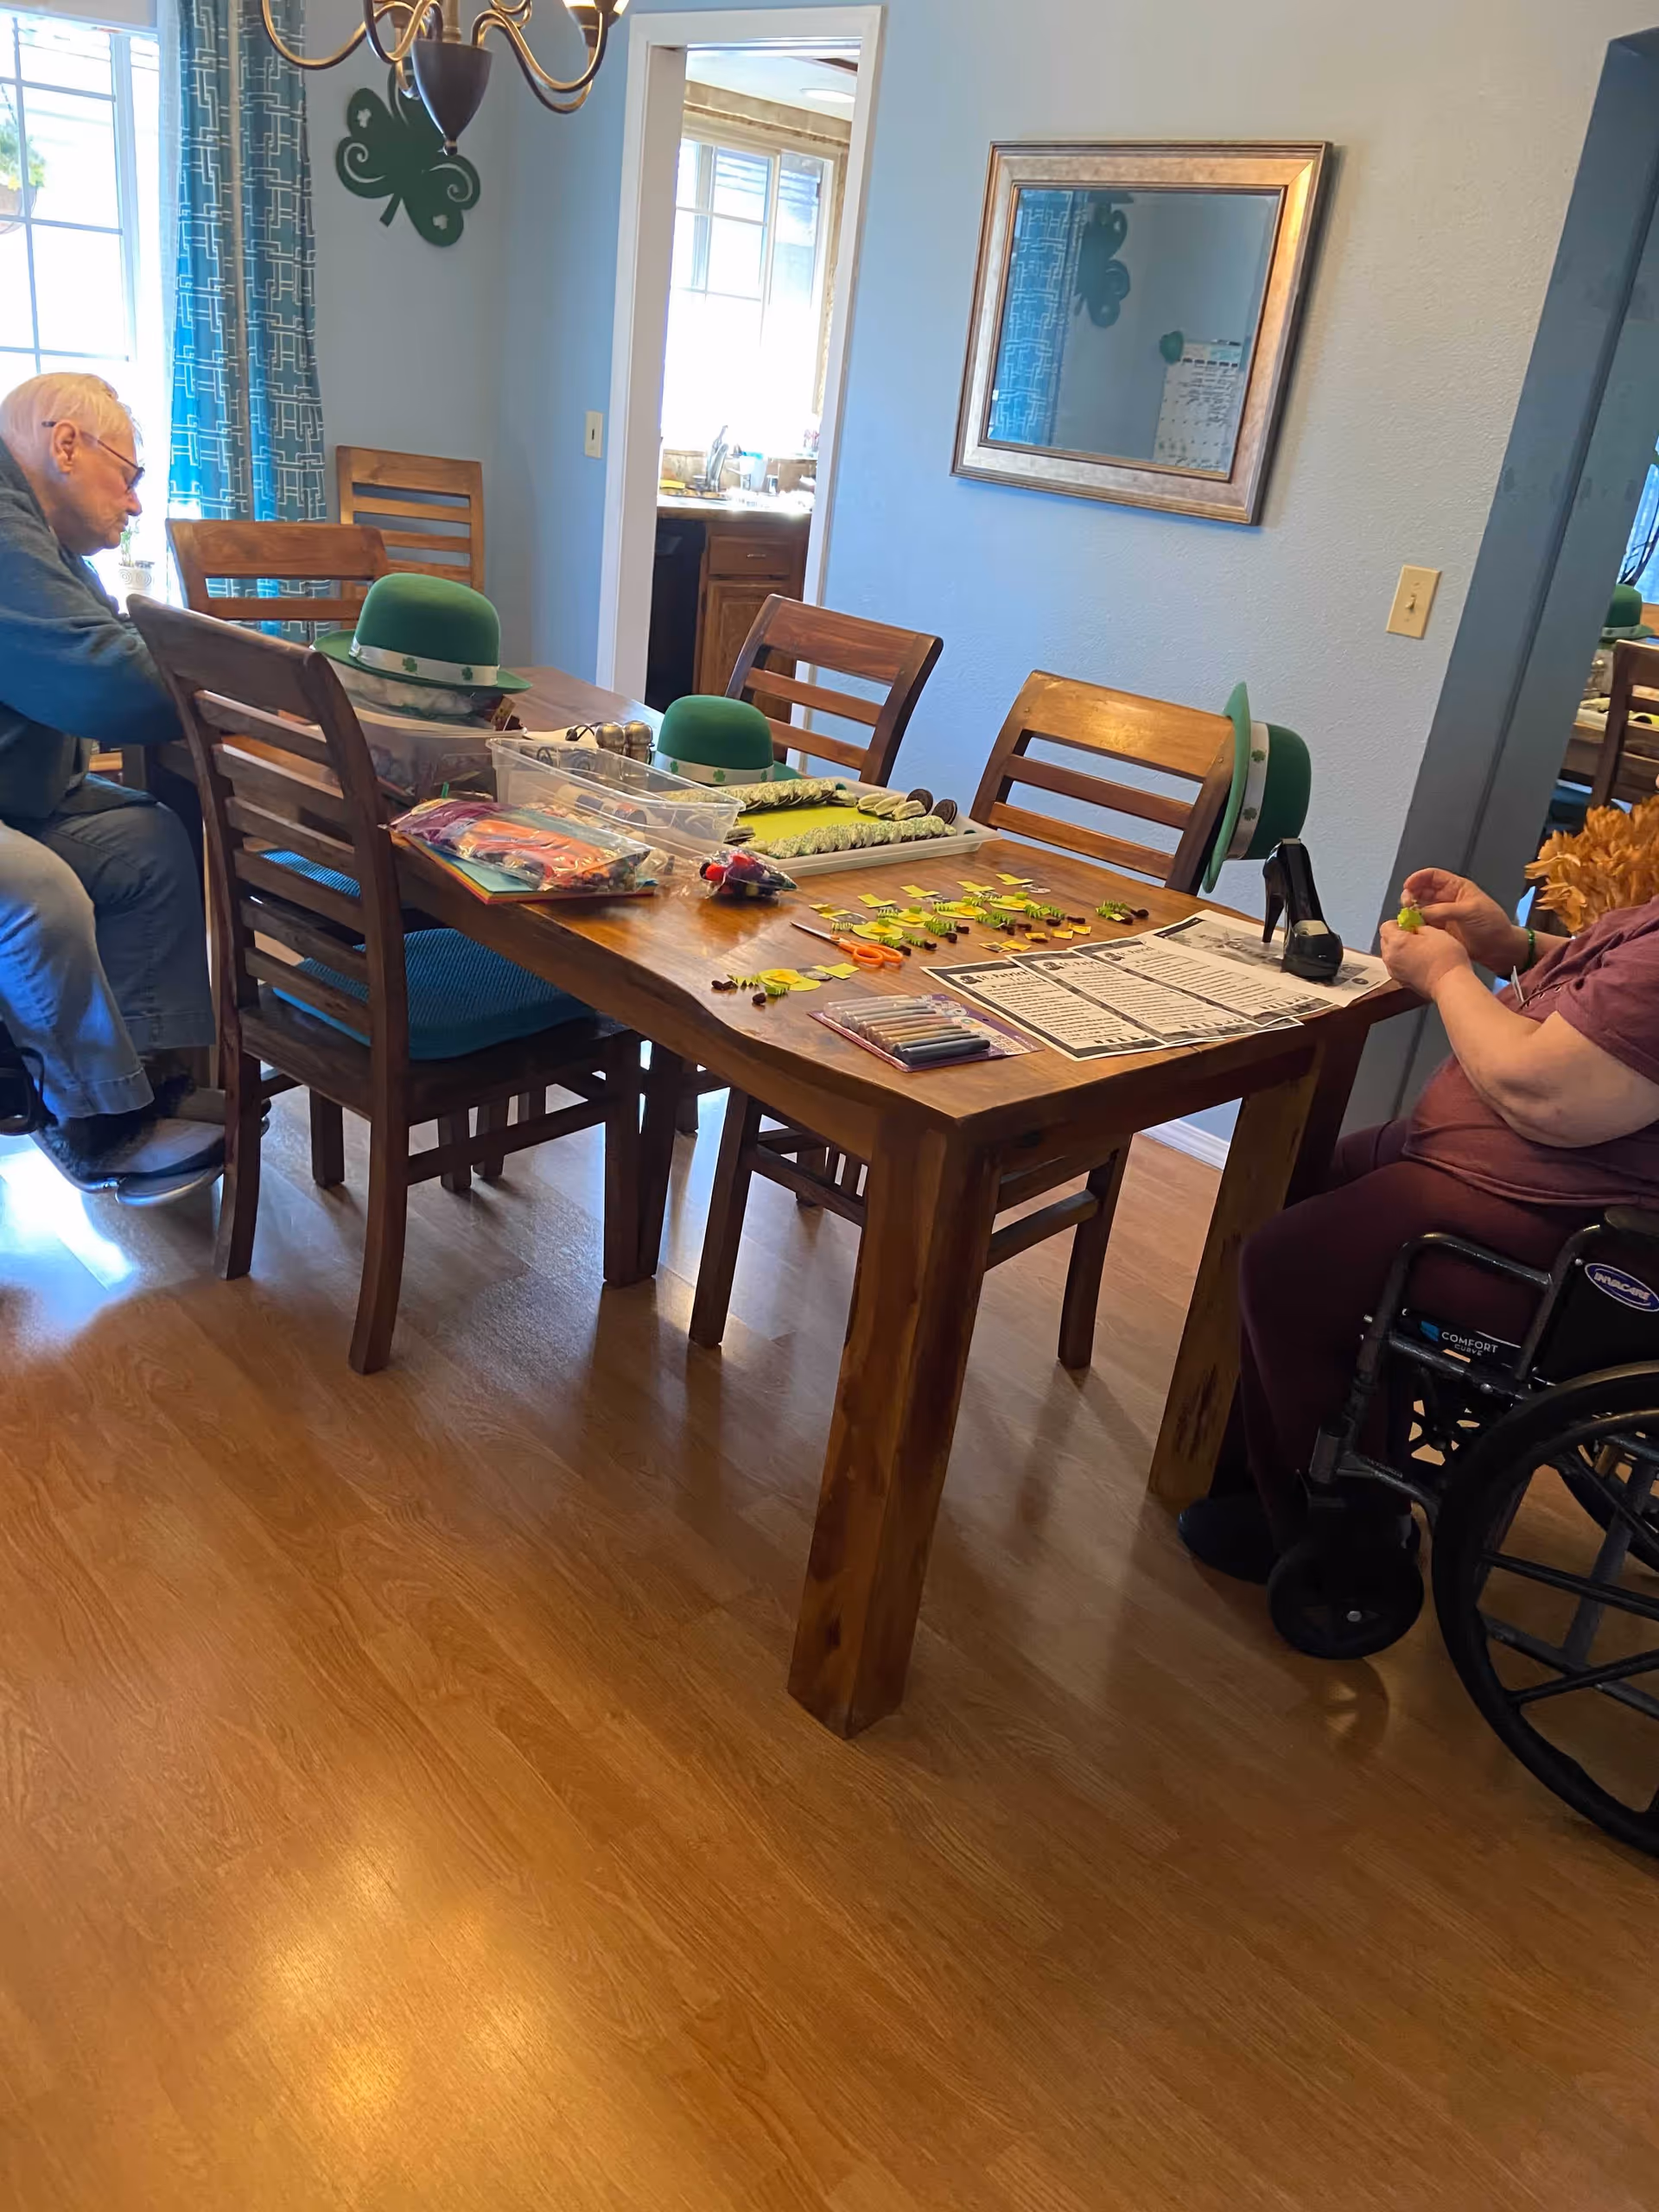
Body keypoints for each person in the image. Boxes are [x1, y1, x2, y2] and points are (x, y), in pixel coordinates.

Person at [1179, 865, 1659, 1582]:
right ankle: (1290, 1467)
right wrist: (1513, 945)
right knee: (1296, 1177)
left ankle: (1352, 1537)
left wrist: (1447, 975)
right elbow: (1619, 992)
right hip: (1509, 1172)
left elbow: (1547, 1096)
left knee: (1287, 1266)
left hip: (1582, 1236)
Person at [0, 372, 223, 1198]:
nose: (134, 503)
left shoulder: (40, 535)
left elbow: (107, 638)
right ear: (65, 445)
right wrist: (239, 680)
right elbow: (106, 679)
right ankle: (92, 1122)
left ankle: (150, 1080)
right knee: (38, 894)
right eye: (128, 476)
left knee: (150, 839)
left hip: (18, 792)